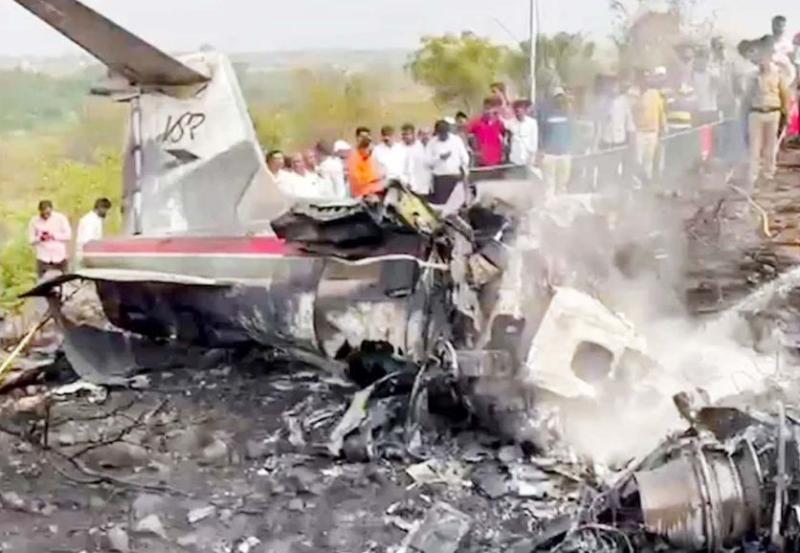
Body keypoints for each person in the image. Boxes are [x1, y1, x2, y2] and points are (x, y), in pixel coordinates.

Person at [745, 52, 791, 187]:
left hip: (773, 112)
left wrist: (786, 114)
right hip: (756, 112)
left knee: (770, 145)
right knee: (754, 145)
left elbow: (784, 95)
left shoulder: (778, 75)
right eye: (760, 59)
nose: (762, 62)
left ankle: (768, 173)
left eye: (764, 59)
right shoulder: (751, 76)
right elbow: (746, 96)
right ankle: (753, 174)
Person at [595, 77, 635, 183]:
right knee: (605, 167)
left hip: (619, 140)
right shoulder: (603, 101)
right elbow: (599, 122)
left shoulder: (624, 101)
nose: (614, 89)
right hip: (606, 139)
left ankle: (615, 186)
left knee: (617, 166)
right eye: (611, 86)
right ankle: (605, 186)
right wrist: (597, 140)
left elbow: (629, 121)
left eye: (616, 86)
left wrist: (631, 138)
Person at [425, 119, 470, 207]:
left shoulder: (456, 140)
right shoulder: (432, 143)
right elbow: (427, 161)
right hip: (440, 178)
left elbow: (464, 157)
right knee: (442, 203)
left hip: (455, 176)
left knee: (457, 203)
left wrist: (464, 168)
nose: (443, 136)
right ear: (437, 132)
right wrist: (439, 158)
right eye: (441, 133)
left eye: (445, 133)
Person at [538, 89, 573, 196]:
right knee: (549, 186)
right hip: (550, 155)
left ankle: (561, 204)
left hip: (564, 154)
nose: (560, 99)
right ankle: (549, 204)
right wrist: (541, 150)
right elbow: (541, 133)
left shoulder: (568, 114)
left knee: (562, 185)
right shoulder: (546, 115)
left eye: (561, 97)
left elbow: (573, 132)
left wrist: (571, 149)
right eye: (557, 97)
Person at [634, 73, 667, 181]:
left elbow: (661, 111)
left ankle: (647, 181)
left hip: (653, 132)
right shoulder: (635, 95)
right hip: (639, 132)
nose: (646, 81)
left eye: (647, 78)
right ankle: (637, 180)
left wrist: (663, 126)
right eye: (644, 78)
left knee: (649, 159)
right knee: (637, 160)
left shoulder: (655, 94)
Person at [28, 200, 71, 278]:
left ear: (51, 210)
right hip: (43, 257)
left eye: (48, 213)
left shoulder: (60, 218)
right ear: (40, 211)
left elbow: (68, 236)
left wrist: (53, 236)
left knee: (64, 280)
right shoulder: (34, 221)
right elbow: (31, 240)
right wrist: (40, 238)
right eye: (43, 213)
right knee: (43, 282)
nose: (46, 215)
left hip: (60, 256)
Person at [346, 127, 384, 199]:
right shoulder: (354, 156)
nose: (365, 139)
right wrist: (375, 178)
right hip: (362, 193)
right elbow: (356, 178)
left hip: (374, 190)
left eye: (367, 136)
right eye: (363, 136)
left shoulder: (372, 154)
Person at [468, 98, 507, 167]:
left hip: (497, 161)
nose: (488, 111)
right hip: (482, 161)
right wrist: (473, 150)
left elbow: (504, 138)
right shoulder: (476, 122)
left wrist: (503, 153)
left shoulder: (499, 123)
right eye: (486, 108)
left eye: (490, 109)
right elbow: (466, 134)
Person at [400, 123, 432, 196]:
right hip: (407, 184)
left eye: (407, 134)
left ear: (413, 134)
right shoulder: (399, 148)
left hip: (423, 184)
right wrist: (405, 181)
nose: (405, 136)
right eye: (403, 134)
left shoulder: (421, 146)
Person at [506, 99, 539, 167]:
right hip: (514, 159)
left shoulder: (532, 123)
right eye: (516, 110)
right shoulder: (510, 123)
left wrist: (532, 156)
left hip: (528, 158)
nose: (518, 112)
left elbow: (534, 140)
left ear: (525, 110)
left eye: (521, 108)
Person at [693, 49, 721, 125]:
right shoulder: (691, 74)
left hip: (711, 109)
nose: (701, 63)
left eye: (704, 60)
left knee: (713, 130)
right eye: (698, 60)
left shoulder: (712, 74)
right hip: (697, 110)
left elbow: (717, 89)